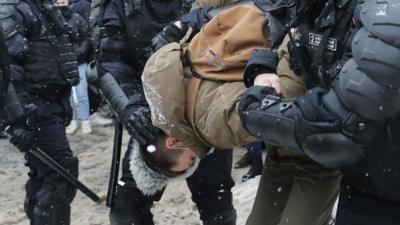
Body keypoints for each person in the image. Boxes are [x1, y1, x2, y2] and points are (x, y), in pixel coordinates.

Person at [238, 0, 400, 224]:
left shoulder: (384, 12)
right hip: (360, 181)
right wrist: (262, 68)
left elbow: (334, 126)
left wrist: (253, 110)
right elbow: (292, 41)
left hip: (381, 181)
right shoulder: (312, 7)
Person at [94, 0, 238, 224]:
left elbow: (238, 18)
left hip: (206, 110)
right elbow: (111, 61)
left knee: (217, 203)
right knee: (126, 210)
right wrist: (130, 106)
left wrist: (185, 28)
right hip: (155, 116)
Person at [0, 0, 81, 223]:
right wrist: (17, 119)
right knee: (59, 175)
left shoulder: (40, 7)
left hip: (52, 103)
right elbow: (7, 69)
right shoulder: (12, 10)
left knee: (47, 175)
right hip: (34, 106)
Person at [57, 0, 92, 135]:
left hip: (79, 61)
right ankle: (72, 121)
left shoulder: (77, 18)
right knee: (68, 95)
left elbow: (86, 38)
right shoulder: (54, 19)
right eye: (58, 2)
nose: (61, 5)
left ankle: (85, 120)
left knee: (82, 93)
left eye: (63, 1)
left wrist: (80, 52)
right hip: (63, 62)